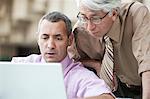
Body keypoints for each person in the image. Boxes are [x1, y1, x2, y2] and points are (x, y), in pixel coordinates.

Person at [11, 11, 115, 99]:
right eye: (45, 37)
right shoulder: (23, 65)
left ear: (70, 40)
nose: (50, 45)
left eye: (58, 38)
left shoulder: (79, 76)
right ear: (38, 39)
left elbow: (106, 98)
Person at [68, 0, 150, 98]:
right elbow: (70, 63)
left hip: (145, 85)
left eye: (96, 18)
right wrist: (95, 64)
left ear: (113, 13)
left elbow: (147, 64)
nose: (90, 27)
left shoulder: (136, 14)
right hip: (115, 88)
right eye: (84, 17)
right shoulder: (81, 30)